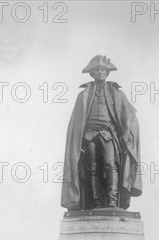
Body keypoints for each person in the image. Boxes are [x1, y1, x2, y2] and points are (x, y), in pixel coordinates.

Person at [61, 55, 142, 210]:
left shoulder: (117, 93)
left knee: (110, 166)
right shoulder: (83, 95)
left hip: (107, 135)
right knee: (91, 168)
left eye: (103, 69)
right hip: (88, 136)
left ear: (107, 73)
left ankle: (112, 202)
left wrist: (127, 134)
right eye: (97, 70)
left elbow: (129, 117)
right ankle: (96, 203)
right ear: (92, 73)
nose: (100, 72)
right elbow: (76, 123)